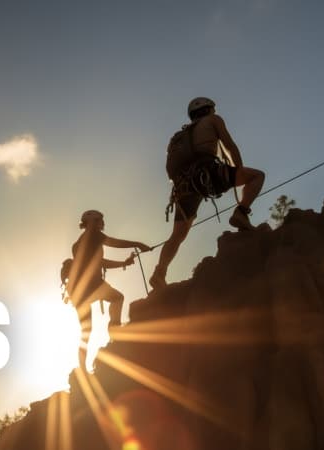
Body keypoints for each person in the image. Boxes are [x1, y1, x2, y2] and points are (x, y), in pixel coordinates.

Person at [149, 97, 265, 289]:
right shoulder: (213, 120)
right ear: (208, 109)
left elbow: (170, 168)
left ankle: (159, 272)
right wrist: (238, 170)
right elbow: (229, 145)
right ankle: (241, 213)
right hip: (208, 174)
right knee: (257, 177)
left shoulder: (178, 136)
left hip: (183, 187)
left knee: (177, 235)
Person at [67, 210, 150, 369]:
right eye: (99, 220)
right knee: (117, 298)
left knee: (86, 331)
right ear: (92, 222)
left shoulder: (80, 242)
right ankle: (115, 333)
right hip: (92, 285)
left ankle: (82, 369)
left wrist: (123, 263)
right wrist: (137, 244)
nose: (102, 223)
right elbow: (115, 243)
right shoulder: (94, 235)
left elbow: (101, 263)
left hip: (78, 291)